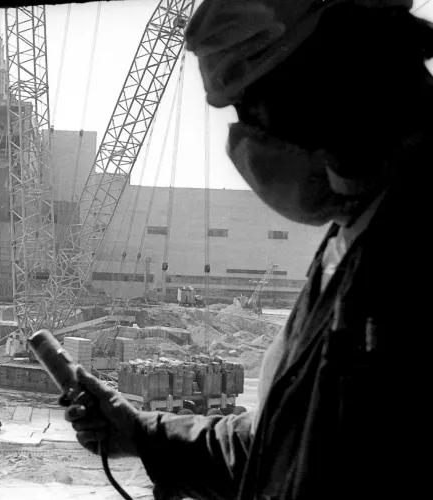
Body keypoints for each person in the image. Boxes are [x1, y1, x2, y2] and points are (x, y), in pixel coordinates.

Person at [63, 1, 428, 498]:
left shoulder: (410, 255)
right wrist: (143, 434)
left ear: (328, 90)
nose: (242, 141)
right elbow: (283, 448)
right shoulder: (352, 238)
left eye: (250, 110)